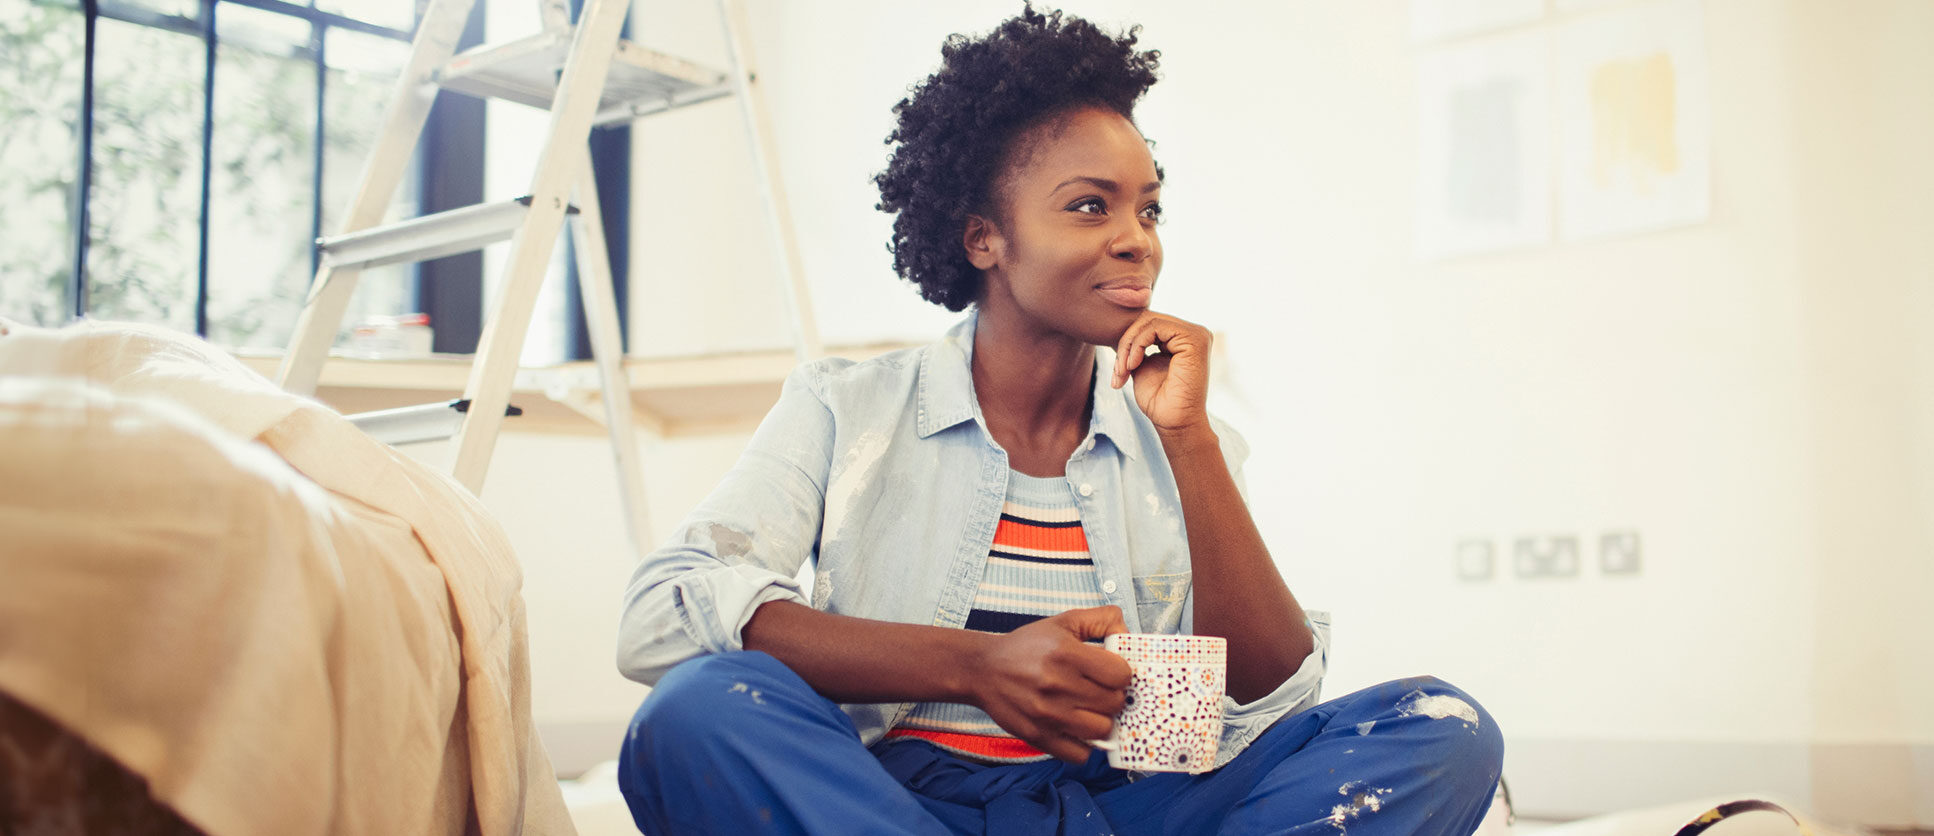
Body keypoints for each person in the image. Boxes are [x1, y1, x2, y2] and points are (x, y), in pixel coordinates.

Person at [613, 7, 1503, 834]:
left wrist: (1188, 444)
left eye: (1148, 207)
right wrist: (974, 666)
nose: (1137, 239)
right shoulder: (847, 406)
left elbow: (1269, 698)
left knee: (1442, 729)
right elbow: (664, 610)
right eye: (1091, 205)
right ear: (983, 239)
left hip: (1124, 805)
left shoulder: (1189, 435)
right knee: (696, 711)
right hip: (899, 802)